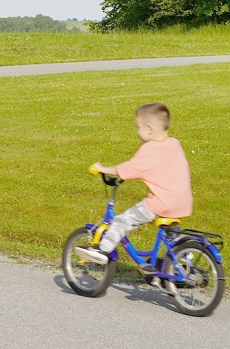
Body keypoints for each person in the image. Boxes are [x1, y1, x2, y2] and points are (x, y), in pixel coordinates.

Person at [77, 102, 192, 263]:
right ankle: (185, 256)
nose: (137, 132)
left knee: (122, 221)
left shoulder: (150, 149)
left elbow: (127, 169)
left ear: (150, 129)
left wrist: (102, 168)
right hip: (182, 203)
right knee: (171, 230)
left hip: (161, 203)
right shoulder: (174, 143)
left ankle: (102, 250)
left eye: (139, 127)